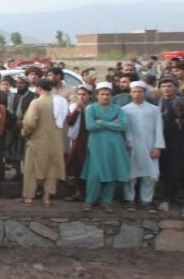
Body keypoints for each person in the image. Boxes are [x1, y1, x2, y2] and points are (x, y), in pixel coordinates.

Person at [81, 82, 130, 212]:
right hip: (97, 145)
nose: (105, 97)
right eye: (102, 94)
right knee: (95, 174)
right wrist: (112, 123)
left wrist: (101, 122)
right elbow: (90, 126)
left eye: (108, 94)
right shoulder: (91, 108)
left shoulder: (118, 109)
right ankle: (89, 200)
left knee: (111, 172)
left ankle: (106, 201)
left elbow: (123, 126)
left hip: (115, 145)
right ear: (97, 96)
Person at [21, 79, 66, 206]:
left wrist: (24, 132)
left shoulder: (36, 103)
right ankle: (47, 197)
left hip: (38, 140)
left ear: (39, 88)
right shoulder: (61, 102)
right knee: (52, 169)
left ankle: (29, 196)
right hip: (56, 141)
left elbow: (30, 123)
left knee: (32, 168)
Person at [123, 81, 165, 212]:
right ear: (130, 93)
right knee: (130, 175)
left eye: (140, 91)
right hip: (132, 146)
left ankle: (146, 200)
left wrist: (158, 146)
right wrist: (126, 143)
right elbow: (124, 129)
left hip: (150, 145)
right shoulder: (124, 110)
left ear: (144, 93)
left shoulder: (154, 109)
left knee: (149, 175)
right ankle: (129, 199)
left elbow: (159, 129)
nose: (137, 94)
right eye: (134, 91)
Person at [158, 77, 184, 212]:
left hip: (177, 141)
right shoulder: (158, 102)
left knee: (175, 170)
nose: (167, 89)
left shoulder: (179, 102)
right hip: (161, 140)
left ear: (175, 88)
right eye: (164, 86)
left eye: (170, 86)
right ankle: (165, 198)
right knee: (164, 170)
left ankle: (169, 199)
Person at [63, 86, 92, 203]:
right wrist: (77, 110)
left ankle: (90, 193)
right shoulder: (74, 107)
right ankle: (79, 191)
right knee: (76, 164)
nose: (81, 97)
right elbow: (70, 121)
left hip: (90, 140)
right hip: (77, 139)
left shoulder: (93, 107)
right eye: (79, 95)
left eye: (84, 94)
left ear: (90, 95)